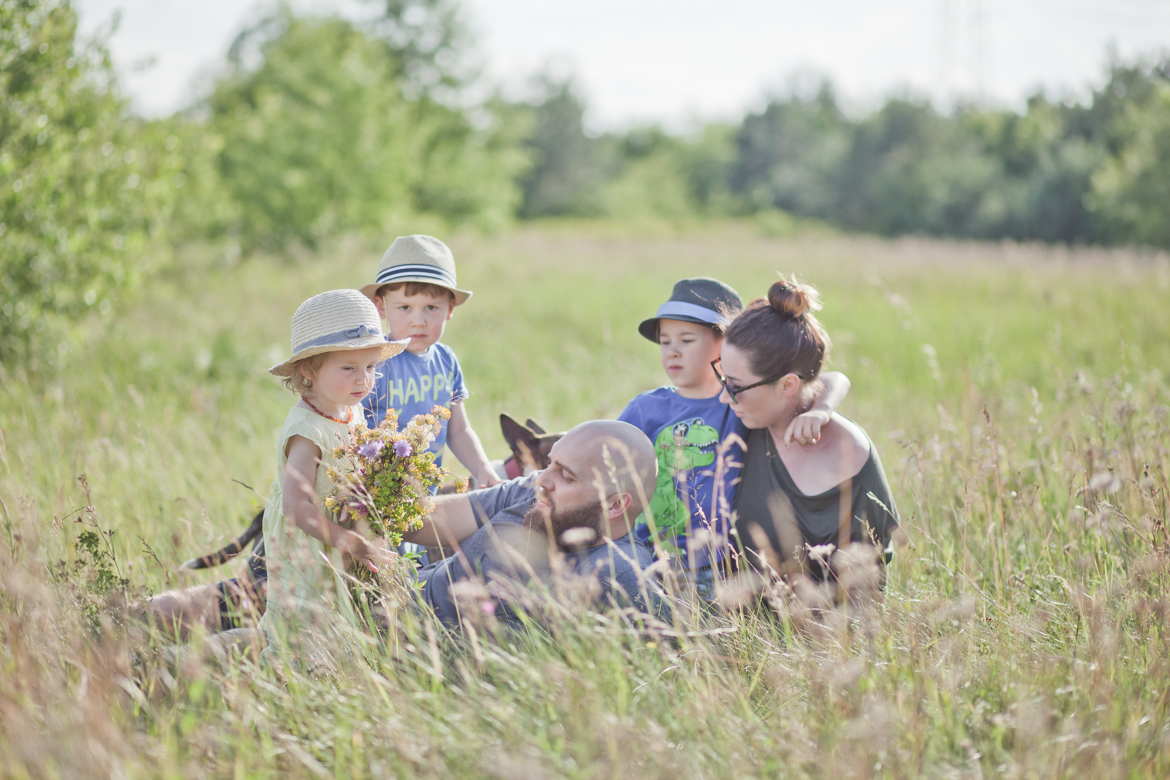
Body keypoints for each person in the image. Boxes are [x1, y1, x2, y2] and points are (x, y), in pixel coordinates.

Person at [617, 277, 851, 596]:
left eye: (686, 340)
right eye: (665, 341)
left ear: (725, 343)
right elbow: (609, 458)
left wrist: (819, 410)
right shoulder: (647, 408)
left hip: (707, 565)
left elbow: (833, 379)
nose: (672, 352)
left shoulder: (739, 403)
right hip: (643, 549)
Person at [714, 277, 898, 581]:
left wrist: (823, 410)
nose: (723, 397)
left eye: (735, 387)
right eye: (723, 379)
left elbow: (865, 588)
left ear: (788, 385)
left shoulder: (848, 452)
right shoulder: (742, 422)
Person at [258, 289, 407, 663]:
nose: (364, 380)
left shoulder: (349, 410)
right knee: (305, 624)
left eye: (371, 367)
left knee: (343, 621)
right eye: (348, 368)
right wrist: (350, 542)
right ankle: (282, 678)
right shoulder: (308, 431)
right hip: (307, 544)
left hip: (337, 534)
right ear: (308, 370)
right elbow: (295, 506)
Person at [403, 420, 664, 625]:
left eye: (567, 476)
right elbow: (427, 520)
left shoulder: (620, 578)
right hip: (394, 596)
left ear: (615, 504)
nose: (541, 479)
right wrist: (368, 521)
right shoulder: (536, 492)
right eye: (550, 463)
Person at [360, 235, 501, 488]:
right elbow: (352, 428)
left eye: (431, 308)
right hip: (375, 491)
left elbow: (458, 431)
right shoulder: (372, 360)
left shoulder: (446, 360)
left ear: (450, 308)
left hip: (425, 495)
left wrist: (483, 468)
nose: (418, 320)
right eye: (404, 308)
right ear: (381, 308)